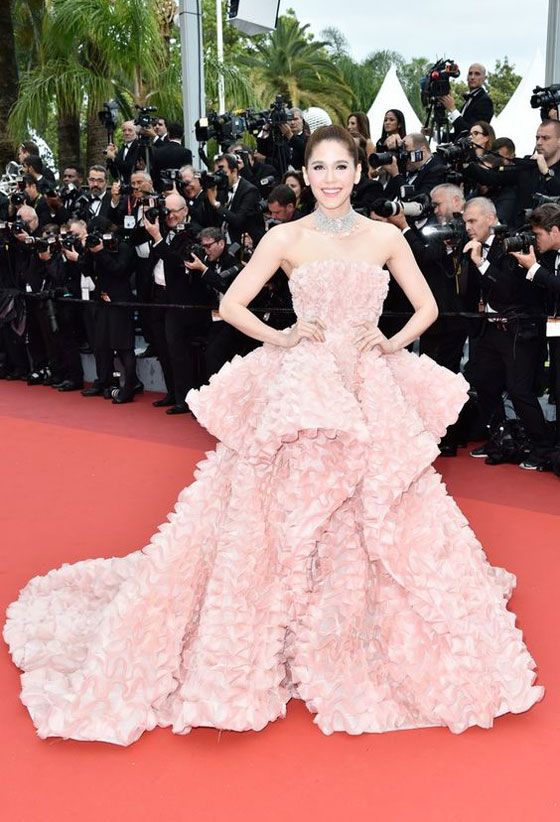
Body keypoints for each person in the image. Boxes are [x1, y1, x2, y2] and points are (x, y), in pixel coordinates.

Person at [3, 125, 543, 746]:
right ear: (306, 174)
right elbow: (234, 304)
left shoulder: (386, 237)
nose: (331, 178)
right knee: (283, 506)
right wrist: (282, 336)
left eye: (341, 166)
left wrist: (389, 343)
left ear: (359, 171)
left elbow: (428, 309)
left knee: (382, 500)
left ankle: (358, 623)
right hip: (304, 390)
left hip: (367, 385)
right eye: (320, 167)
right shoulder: (285, 237)